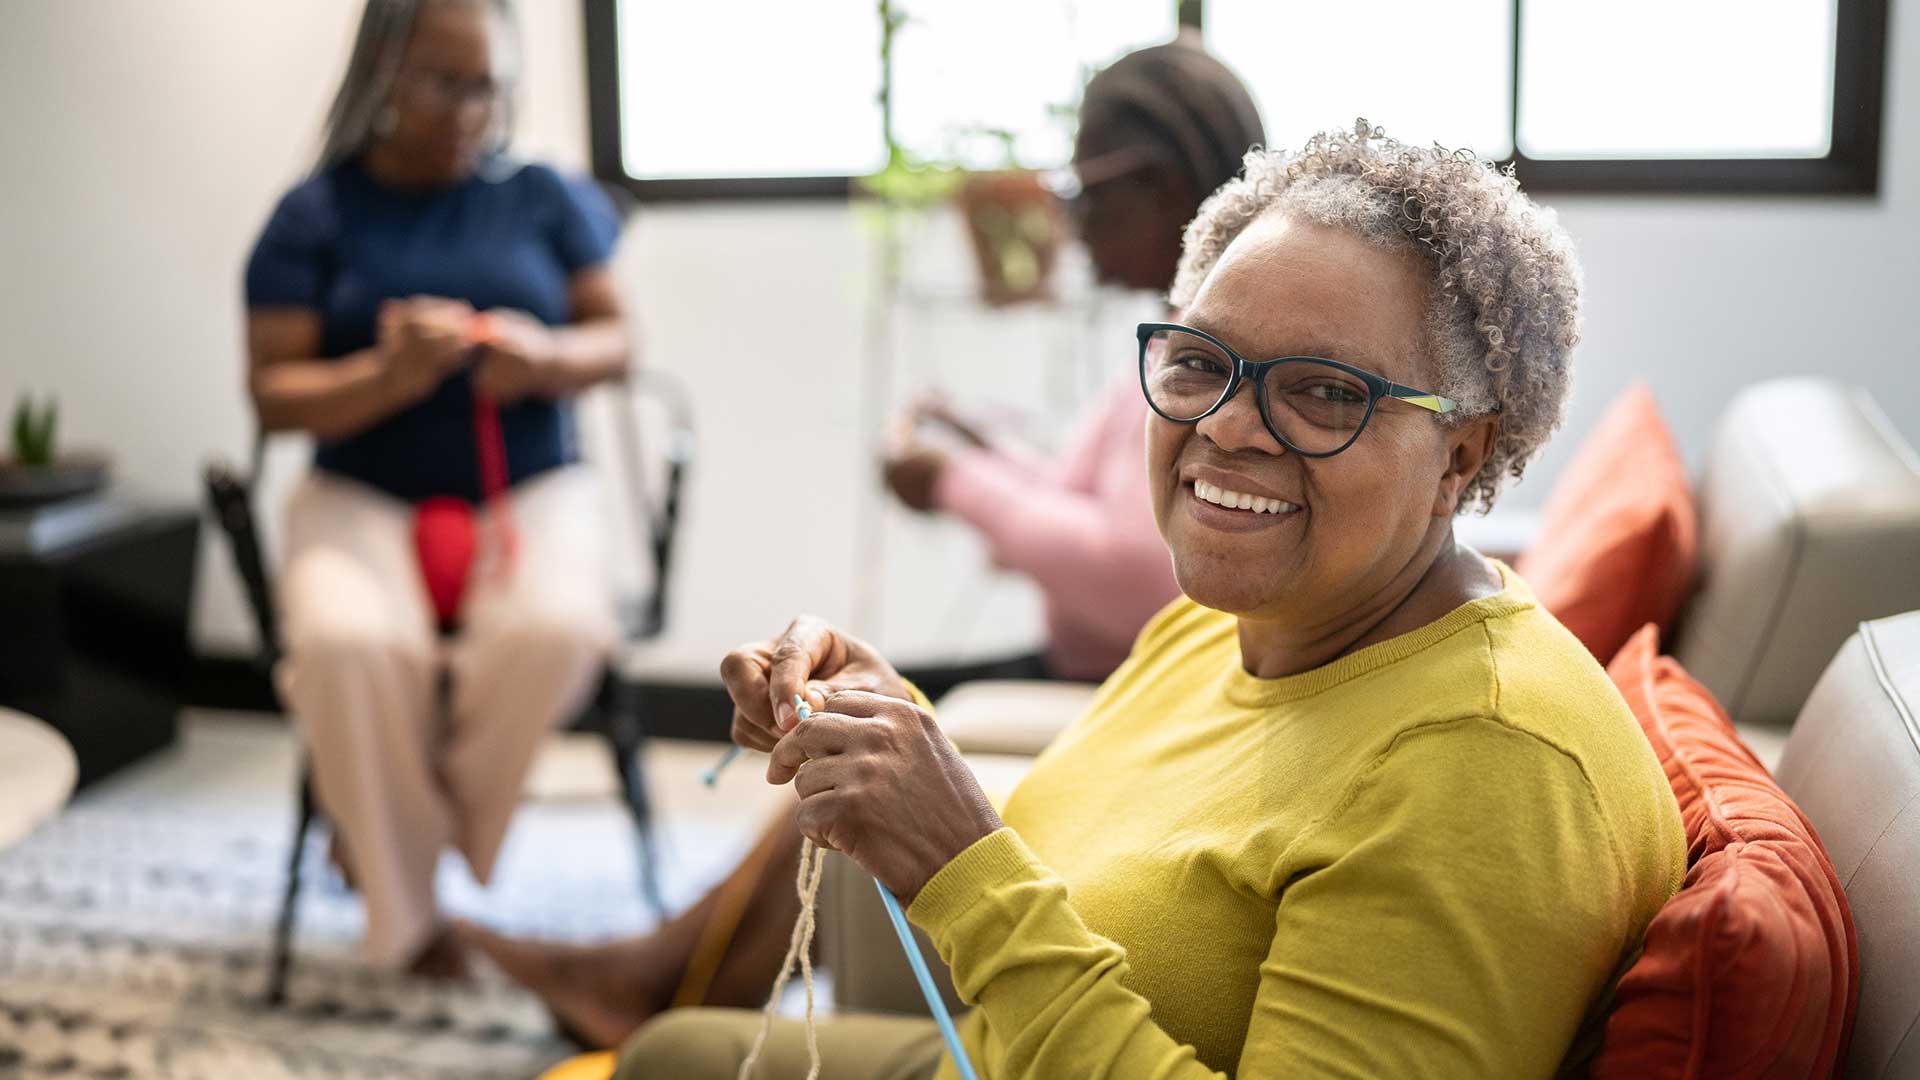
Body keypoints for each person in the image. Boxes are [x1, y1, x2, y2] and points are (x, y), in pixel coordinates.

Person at [465, 121, 1689, 1079]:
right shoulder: (1239, 618)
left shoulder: (1484, 768)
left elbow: (1002, 898)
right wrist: (892, 733)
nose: (1226, 427)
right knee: (673, 1056)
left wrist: (960, 860)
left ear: (1463, 457)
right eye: (1201, 363)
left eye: (1322, 393)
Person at [243, 0, 630, 976]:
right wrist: (386, 377)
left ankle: (382, 829)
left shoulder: (548, 196)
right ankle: (411, 918)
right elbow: (272, 396)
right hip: (361, 496)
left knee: (559, 632)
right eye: (444, 84)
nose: (470, 110)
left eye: (488, 87)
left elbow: (619, 341)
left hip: (529, 491)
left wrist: (542, 357)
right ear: (382, 74)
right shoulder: (314, 213)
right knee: (347, 646)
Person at [882, 36, 1265, 684]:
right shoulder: (1172, 342)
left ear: (1161, 189)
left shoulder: (1206, 364)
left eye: (1084, 191)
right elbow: (1095, 506)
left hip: (1118, 688)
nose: (1072, 222)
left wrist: (953, 481)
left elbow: (1131, 575)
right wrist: (986, 451)